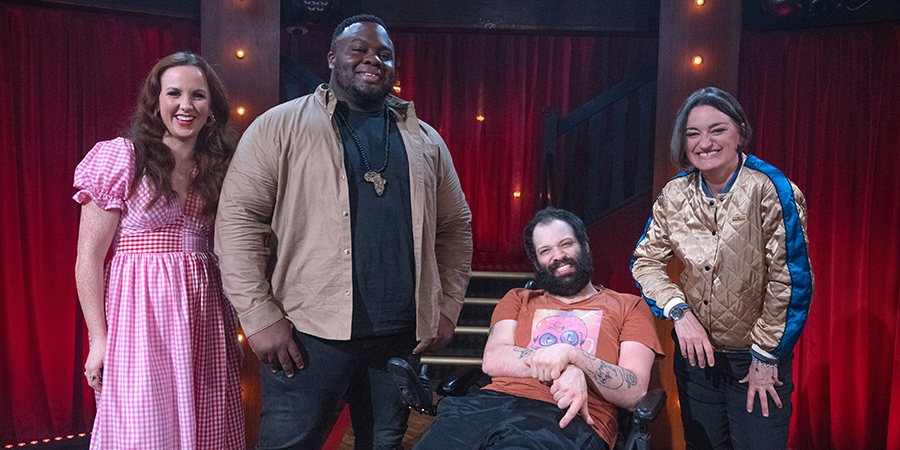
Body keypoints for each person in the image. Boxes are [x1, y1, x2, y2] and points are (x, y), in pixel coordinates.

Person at [214, 14, 473, 450]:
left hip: (399, 334)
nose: (373, 59)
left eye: (384, 54)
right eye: (360, 49)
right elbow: (239, 220)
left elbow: (455, 228)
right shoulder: (279, 126)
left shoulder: (425, 139)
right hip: (306, 331)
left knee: (384, 442)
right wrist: (259, 316)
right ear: (333, 57)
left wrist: (446, 306)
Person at [73, 52, 244, 449]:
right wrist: (99, 338)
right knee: (143, 431)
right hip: (139, 318)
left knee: (207, 427)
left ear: (212, 109)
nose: (186, 105)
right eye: (174, 93)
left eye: (198, 95)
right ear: (156, 103)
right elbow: (89, 258)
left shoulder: (220, 166)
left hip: (205, 316)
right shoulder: (123, 156)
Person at [631, 87, 814, 449]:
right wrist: (679, 313)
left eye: (717, 129)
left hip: (758, 361)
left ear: (740, 133)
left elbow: (790, 281)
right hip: (697, 362)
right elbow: (645, 261)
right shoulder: (673, 195)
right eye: (693, 133)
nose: (705, 142)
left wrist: (766, 357)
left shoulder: (773, 189)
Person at [416, 207, 663, 450]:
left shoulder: (629, 306)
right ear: (536, 261)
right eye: (546, 251)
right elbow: (494, 359)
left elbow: (634, 392)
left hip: (569, 418)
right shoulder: (518, 299)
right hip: (488, 405)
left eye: (566, 244)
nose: (558, 256)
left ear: (584, 245)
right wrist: (567, 367)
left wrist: (576, 355)